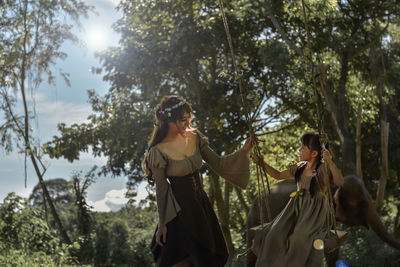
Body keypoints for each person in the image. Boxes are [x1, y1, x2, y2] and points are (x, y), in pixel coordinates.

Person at [142, 95, 253, 267]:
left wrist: (244, 150)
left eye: (189, 119)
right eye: (183, 120)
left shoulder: (195, 136)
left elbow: (218, 163)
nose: (187, 124)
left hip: (201, 207)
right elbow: (162, 189)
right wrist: (162, 223)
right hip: (179, 212)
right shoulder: (158, 151)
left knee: (207, 260)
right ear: (170, 120)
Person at [251, 132, 344, 267]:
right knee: (273, 233)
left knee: (299, 238)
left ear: (314, 153)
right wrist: (261, 163)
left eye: (302, 148)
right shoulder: (299, 167)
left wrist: (329, 162)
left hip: (314, 211)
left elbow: (340, 182)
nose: (299, 150)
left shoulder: (322, 169)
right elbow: (278, 175)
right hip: (295, 208)